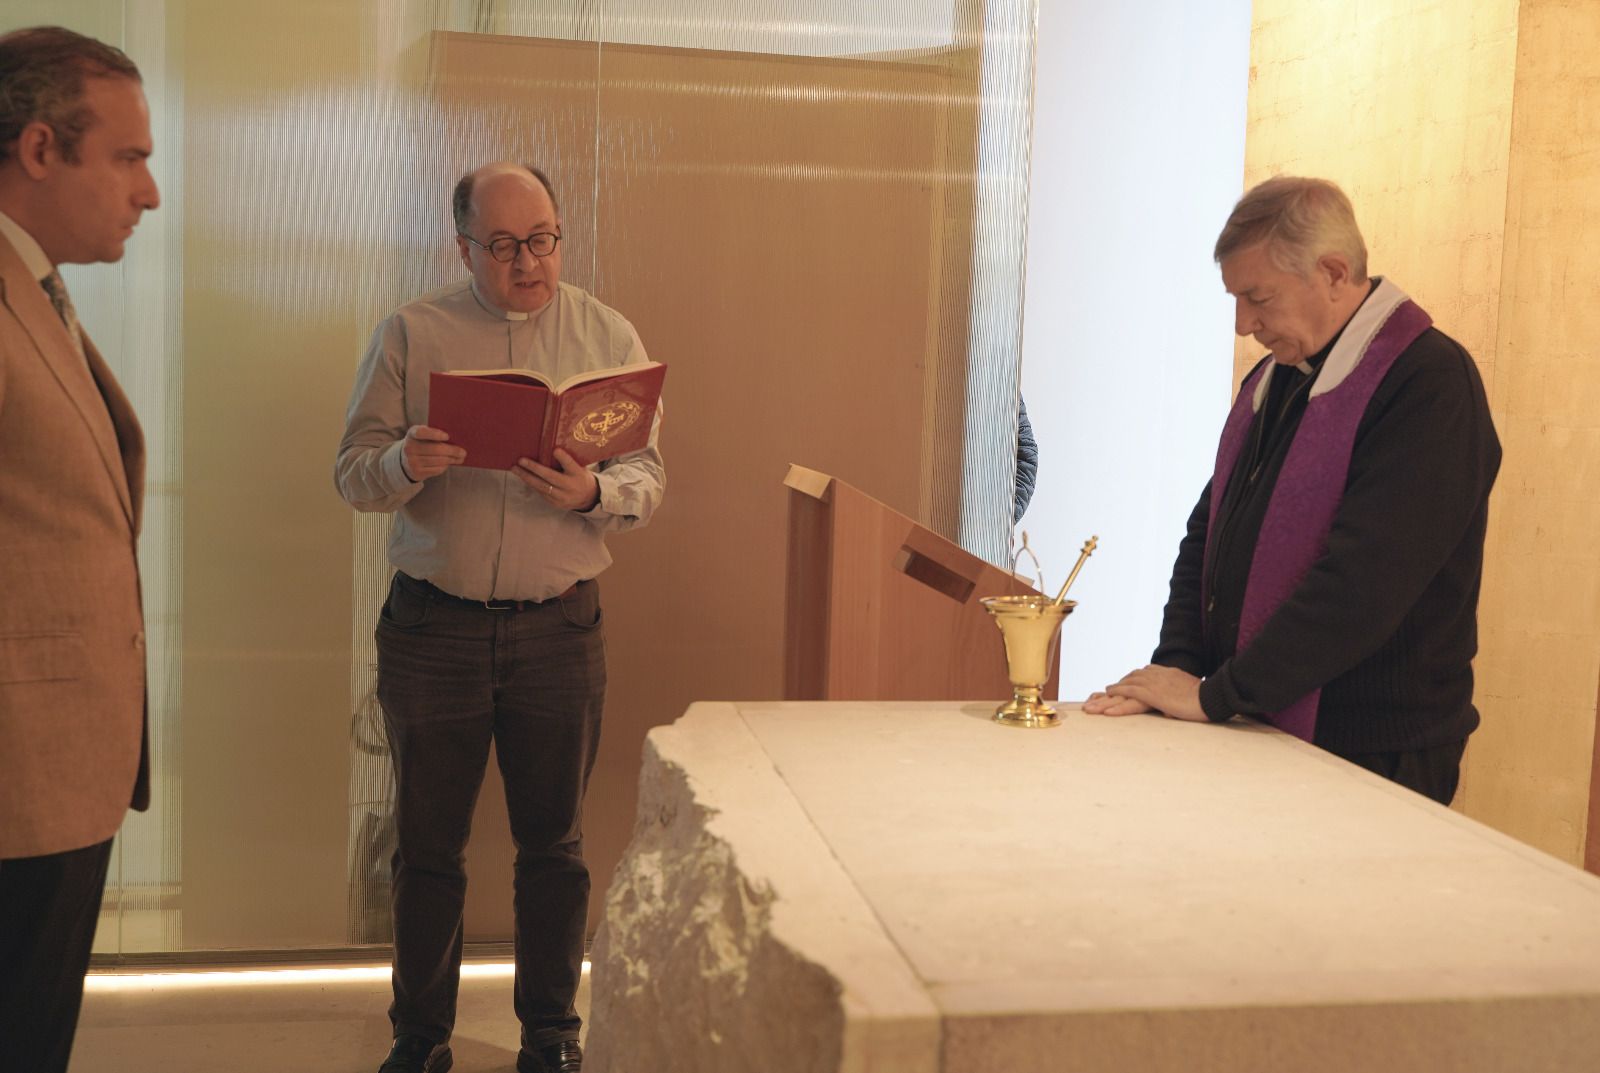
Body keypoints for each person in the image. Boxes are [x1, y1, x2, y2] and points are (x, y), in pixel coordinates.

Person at [335, 162, 665, 1073]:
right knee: (427, 848)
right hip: (432, 629)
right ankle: (419, 1036)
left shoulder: (606, 336)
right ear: (464, 248)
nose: (530, 263)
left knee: (554, 847)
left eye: (544, 239)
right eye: (506, 245)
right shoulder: (413, 333)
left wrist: (593, 491)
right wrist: (404, 463)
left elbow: (648, 476)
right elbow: (352, 471)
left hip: (558, 629)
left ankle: (551, 1035)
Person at [1084, 176, 1500, 806]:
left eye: (1258, 298)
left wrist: (1216, 695)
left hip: (1370, 747)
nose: (1243, 324)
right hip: (1257, 721)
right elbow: (1208, 534)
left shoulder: (1428, 383)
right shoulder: (1275, 378)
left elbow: (1363, 583)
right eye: (1236, 299)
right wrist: (1176, 668)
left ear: (1332, 273)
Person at [0, 25, 160, 1073]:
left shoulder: (40, 293)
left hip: (57, 770)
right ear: (40, 148)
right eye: (129, 157)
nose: (149, 193)